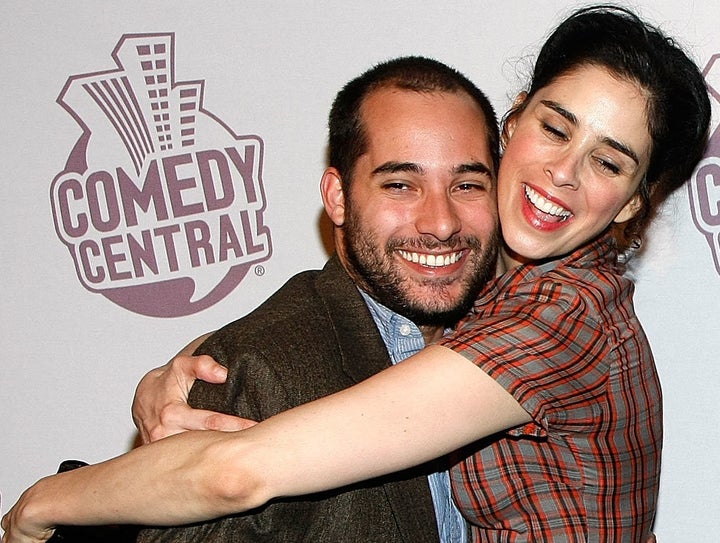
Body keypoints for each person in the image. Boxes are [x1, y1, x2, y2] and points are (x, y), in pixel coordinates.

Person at [2, 5, 710, 542]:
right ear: (515, 120)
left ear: (632, 202)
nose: (563, 172)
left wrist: (42, 503)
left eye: (610, 161)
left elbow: (236, 471)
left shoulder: (561, 316)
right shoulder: (503, 269)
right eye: (556, 129)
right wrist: (164, 374)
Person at [7, 56, 502, 543]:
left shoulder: (523, 335)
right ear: (338, 196)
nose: (441, 222)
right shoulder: (252, 373)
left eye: (467, 184)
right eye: (400, 185)